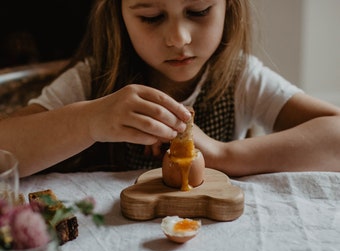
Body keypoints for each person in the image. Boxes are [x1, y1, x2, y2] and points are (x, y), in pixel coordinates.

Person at [1, 0, 340, 178]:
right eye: (150, 16)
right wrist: (88, 121)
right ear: (119, 15)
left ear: (228, 7)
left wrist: (224, 155)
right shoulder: (92, 80)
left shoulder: (239, 77)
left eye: (199, 11)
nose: (179, 38)